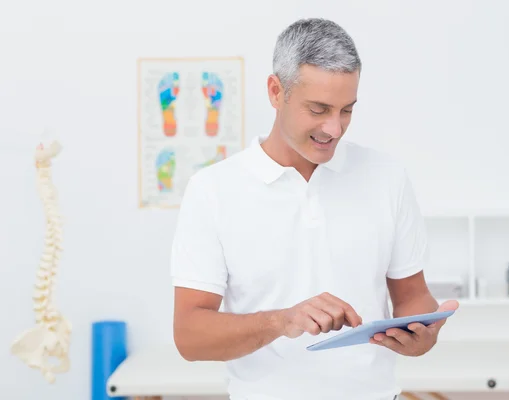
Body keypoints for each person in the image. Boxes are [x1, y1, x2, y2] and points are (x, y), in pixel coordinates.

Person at [171, 17, 459, 400]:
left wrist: (422, 334)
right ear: (276, 92)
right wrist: (282, 321)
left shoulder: (387, 177)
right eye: (319, 109)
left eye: (347, 110)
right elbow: (190, 336)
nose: (335, 128)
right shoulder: (213, 191)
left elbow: (412, 296)